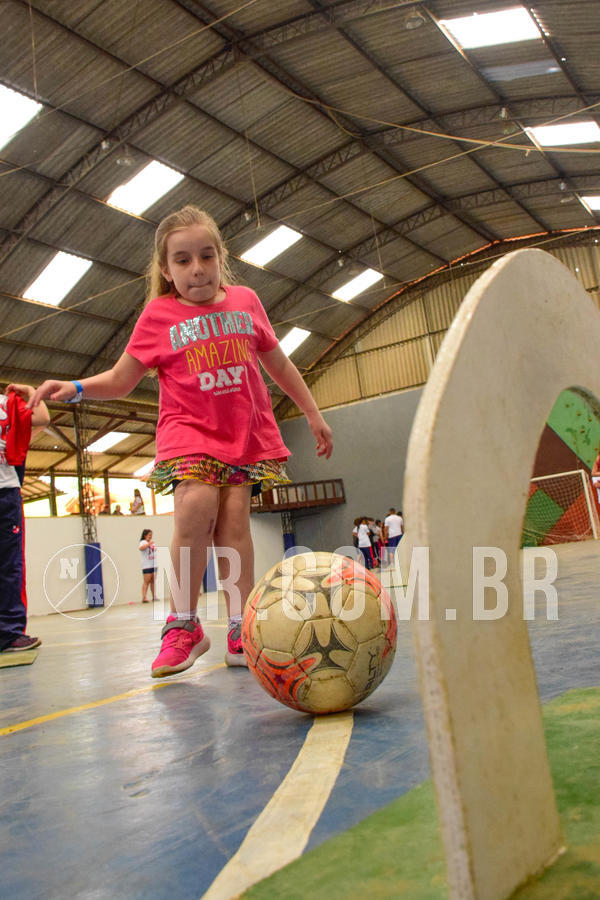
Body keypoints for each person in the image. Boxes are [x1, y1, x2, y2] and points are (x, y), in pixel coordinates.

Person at [29, 204, 332, 677]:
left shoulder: (246, 302)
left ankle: (239, 627)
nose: (198, 269)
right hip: (188, 432)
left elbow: (279, 365)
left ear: (220, 257)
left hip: (242, 433)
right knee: (194, 508)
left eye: (206, 256)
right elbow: (123, 379)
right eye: (184, 260)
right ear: (167, 270)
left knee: (234, 526)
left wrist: (312, 413)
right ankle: (184, 625)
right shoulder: (159, 315)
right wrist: (79, 388)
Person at [0, 383, 50, 653]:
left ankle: (8, 633)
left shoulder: (5, 404)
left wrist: (31, 392)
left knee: (9, 566)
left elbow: (42, 418)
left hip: (5, 492)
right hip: (5, 495)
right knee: (9, 567)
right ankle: (8, 633)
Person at [139, 529, 157, 603]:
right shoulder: (143, 542)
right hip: (147, 565)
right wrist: (148, 544)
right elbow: (141, 548)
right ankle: (144, 597)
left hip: (153, 564)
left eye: (151, 535)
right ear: (145, 535)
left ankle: (154, 596)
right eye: (149, 535)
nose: (151, 536)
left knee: (153, 581)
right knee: (146, 581)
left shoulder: (152, 543)